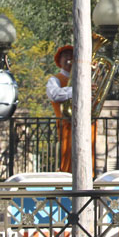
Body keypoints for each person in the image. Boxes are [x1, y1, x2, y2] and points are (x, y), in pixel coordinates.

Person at [45, 44, 74, 172]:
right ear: (60, 61)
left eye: (71, 55)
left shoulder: (86, 78)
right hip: (66, 124)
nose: (69, 58)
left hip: (88, 124)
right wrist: (79, 89)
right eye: (65, 56)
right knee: (67, 158)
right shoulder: (54, 79)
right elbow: (55, 95)